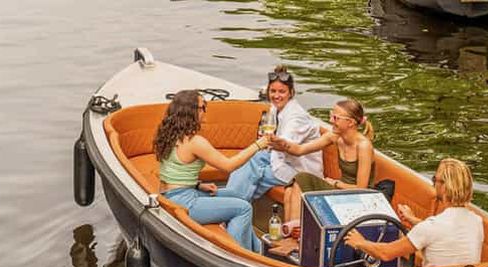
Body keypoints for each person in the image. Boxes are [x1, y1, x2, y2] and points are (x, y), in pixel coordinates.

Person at [154, 90, 270, 252]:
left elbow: (174, 171)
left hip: (171, 195)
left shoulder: (168, 134)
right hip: (185, 202)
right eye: (203, 107)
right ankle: (238, 255)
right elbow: (228, 166)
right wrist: (258, 145)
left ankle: (259, 251)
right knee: (243, 208)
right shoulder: (195, 142)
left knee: (238, 196)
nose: (205, 112)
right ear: (191, 111)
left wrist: (198, 185)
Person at [216, 66, 322, 220]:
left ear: (291, 93)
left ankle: (227, 213)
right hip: (281, 159)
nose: (276, 96)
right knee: (246, 162)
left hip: (300, 171)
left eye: (282, 92)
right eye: (273, 91)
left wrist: (266, 141)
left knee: (253, 174)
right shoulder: (275, 108)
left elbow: (287, 145)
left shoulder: (296, 117)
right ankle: (231, 210)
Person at [344, 158, 484, 267]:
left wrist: (360, 242)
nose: (433, 184)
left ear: (444, 187)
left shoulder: (431, 227)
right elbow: (444, 232)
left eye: (435, 180)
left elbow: (385, 253)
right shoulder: (476, 222)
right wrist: (413, 220)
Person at [270, 97, 376, 222]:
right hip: (339, 190)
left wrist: (336, 183)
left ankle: (294, 232)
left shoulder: (363, 146)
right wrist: (280, 143)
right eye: (331, 115)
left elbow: (361, 189)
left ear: (351, 122)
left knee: (301, 179)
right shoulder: (335, 137)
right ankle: (289, 234)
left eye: (336, 118)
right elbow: (299, 150)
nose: (331, 120)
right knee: (290, 189)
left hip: (357, 198)